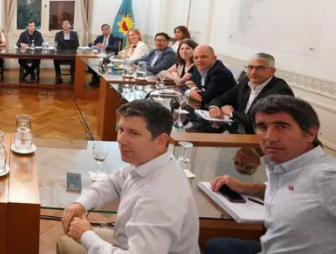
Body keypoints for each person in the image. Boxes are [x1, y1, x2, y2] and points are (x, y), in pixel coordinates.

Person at [205, 96, 336, 254]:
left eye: (281, 127)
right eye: (262, 127)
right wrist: (247, 188)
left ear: (310, 133)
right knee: (214, 245)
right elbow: (298, 192)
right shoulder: (288, 166)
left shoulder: (335, 180)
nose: (269, 137)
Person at [58, 99, 200, 254]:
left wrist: (85, 235)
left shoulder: (158, 201)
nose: (121, 140)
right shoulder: (155, 161)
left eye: (133, 133)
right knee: (66, 241)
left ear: (160, 141)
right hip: (128, 242)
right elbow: (113, 182)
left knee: (68, 243)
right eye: (121, 129)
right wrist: (82, 203)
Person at [208, 53, 295, 134]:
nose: (253, 72)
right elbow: (223, 98)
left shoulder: (280, 91)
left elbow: (260, 121)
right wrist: (214, 107)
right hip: (237, 130)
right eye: (250, 67)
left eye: (259, 68)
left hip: (260, 136)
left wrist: (232, 113)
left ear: (272, 71)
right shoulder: (246, 80)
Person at [54, 20, 80, 84]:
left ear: (70, 25)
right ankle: (58, 76)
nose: (65, 25)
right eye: (63, 24)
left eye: (66, 23)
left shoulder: (74, 34)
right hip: (61, 53)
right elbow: (56, 45)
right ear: (62, 26)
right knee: (55, 59)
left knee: (75, 59)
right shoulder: (58, 34)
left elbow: (77, 45)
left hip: (71, 53)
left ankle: (73, 77)